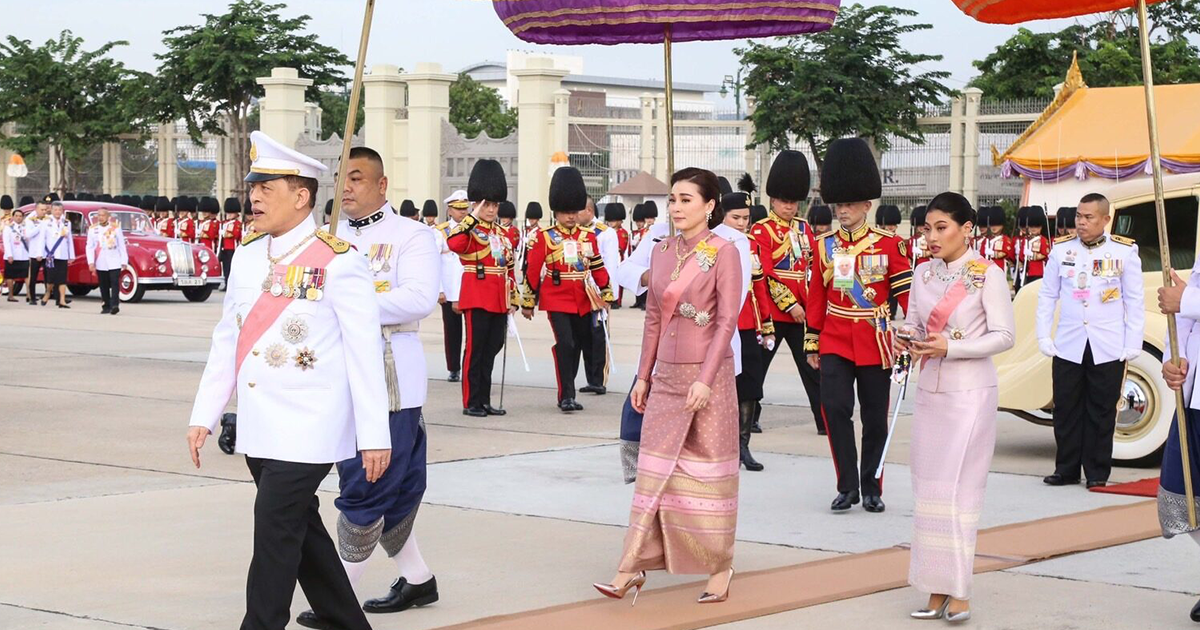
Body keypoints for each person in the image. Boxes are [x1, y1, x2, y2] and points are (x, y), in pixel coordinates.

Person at [187, 130, 390, 630]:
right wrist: (204, 415)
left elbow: (364, 354)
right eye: (253, 186)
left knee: (275, 533)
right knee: (302, 530)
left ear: (302, 196)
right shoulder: (249, 255)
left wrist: (374, 436)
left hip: (311, 425)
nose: (253, 196)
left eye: (267, 187)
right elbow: (227, 339)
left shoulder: (341, 261)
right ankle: (347, 621)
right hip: (261, 423)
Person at [294, 146, 441, 629]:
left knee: (366, 484)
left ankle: (341, 601)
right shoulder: (324, 239)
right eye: (343, 178)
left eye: (358, 178)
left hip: (389, 376)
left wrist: (351, 307)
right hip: (335, 375)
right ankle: (418, 580)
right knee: (391, 492)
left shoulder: (412, 236)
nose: (348, 187)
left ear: (382, 185)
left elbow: (418, 298)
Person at [595, 167, 742, 606]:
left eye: (686, 200)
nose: (676, 208)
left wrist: (705, 379)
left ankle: (720, 566)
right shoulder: (659, 252)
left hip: (707, 379)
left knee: (708, 477)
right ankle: (630, 567)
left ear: (710, 205)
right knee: (653, 473)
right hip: (665, 378)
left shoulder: (724, 252)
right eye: (672, 200)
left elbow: (726, 322)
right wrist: (643, 375)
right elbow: (654, 319)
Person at [898, 192, 1015, 623]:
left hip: (970, 396)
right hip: (931, 391)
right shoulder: (922, 274)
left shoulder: (989, 274)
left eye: (941, 227)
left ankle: (960, 590)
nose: (931, 236)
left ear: (967, 229)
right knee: (929, 491)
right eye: (927, 228)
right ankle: (936, 587)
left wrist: (953, 345)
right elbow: (914, 319)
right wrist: (905, 335)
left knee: (958, 493)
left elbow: (1005, 335)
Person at [805, 137, 913, 513]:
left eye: (850, 204)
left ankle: (872, 485)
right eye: (840, 204)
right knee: (834, 409)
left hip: (875, 338)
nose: (843, 210)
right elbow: (816, 298)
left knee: (874, 418)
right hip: (835, 337)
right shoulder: (824, 246)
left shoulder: (890, 245)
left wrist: (911, 333)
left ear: (867, 205)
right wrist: (812, 341)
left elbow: (906, 297)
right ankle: (846, 485)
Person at [1037, 193, 1144, 488]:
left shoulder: (1123, 252)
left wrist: (1133, 341)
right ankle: (1067, 468)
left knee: (1101, 409)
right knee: (1066, 407)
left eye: (1089, 218)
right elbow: (1047, 296)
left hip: (1107, 342)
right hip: (1069, 342)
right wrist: (1044, 336)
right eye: (1078, 217)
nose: (1081, 223)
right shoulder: (1061, 251)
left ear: (1105, 220)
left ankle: (1097, 472)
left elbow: (1134, 300)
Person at [521, 167, 616, 412]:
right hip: (556, 297)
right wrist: (528, 302)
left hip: (583, 299)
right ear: (556, 212)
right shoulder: (545, 236)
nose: (571, 217)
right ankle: (566, 395)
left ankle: (570, 390)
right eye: (566, 212)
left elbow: (597, 265)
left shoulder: (588, 237)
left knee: (579, 345)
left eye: (574, 212)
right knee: (566, 344)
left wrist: (606, 292)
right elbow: (533, 270)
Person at [749, 151, 824, 437]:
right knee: (758, 366)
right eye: (784, 201)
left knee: (813, 367)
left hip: (803, 310)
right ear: (773, 200)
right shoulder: (762, 230)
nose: (790, 207)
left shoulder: (804, 228)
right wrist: (790, 304)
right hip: (773, 311)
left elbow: (813, 267)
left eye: (794, 202)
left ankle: (823, 419)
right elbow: (765, 274)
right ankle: (751, 416)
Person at [448, 160, 519, 418]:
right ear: (477, 204)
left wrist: (514, 297)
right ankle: (472, 401)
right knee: (475, 351)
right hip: (477, 294)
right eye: (486, 204)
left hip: (498, 297)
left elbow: (509, 267)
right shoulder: (470, 229)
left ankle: (485, 399)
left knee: (492, 348)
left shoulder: (503, 234)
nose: (491, 209)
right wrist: (471, 216)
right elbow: (454, 243)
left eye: (494, 205)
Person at [1155, 249, 1200, 623]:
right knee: (1184, 495)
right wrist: (1176, 355)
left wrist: (1186, 299)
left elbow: (1188, 300)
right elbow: (1185, 317)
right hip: (1196, 393)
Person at [726, 189, 772, 471]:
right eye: (736, 217)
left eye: (746, 217)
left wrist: (766, 324)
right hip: (721, 324)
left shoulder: (753, 244)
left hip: (747, 323)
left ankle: (743, 446)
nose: (742, 223)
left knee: (751, 385)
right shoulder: (712, 242)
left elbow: (759, 286)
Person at [579, 197, 613, 394]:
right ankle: (590, 378)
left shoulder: (605, 233)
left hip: (599, 291)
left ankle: (599, 379)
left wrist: (608, 293)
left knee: (599, 336)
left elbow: (610, 263)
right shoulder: (577, 233)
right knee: (586, 337)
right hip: (583, 290)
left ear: (589, 210)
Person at [435, 191, 469, 382]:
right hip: (448, 288)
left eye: (465, 208)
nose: (462, 213)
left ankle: (468, 367)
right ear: (449, 210)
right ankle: (454, 368)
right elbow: (434, 262)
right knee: (452, 331)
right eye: (458, 209)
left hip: (469, 287)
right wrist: (439, 288)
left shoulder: (473, 229)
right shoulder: (441, 231)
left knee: (472, 333)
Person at [86, 207, 129, 315]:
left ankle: (115, 305)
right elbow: (90, 247)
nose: (100, 217)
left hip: (114, 259)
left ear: (108, 216)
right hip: (101, 260)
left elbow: (121, 245)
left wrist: (124, 260)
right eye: (98, 215)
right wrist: (91, 262)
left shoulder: (115, 228)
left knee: (115, 283)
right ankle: (106, 305)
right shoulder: (93, 229)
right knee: (103, 284)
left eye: (103, 215)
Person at [41, 201, 74, 308]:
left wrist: (71, 255)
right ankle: (47, 293)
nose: (57, 212)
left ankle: (62, 300)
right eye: (55, 210)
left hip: (63, 254)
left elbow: (69, 240)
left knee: (62, 279)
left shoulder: (67, 222)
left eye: (59, 210)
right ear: (51, 210)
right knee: (51, 279)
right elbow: (42, 239)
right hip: (51, 254)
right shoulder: (46, 222)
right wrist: (41, 253)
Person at [1014, 206, 1049, 293]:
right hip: (1028, 272)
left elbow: (1045, 255)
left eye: (1036, 226)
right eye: (1031, 226)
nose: (1033, 229)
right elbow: (1021, 257)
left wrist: (1031, 255)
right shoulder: (1026, 240)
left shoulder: (1043, 240)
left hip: (1039, 272)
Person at [24, 196, 50, 305]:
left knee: (49, 275)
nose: (44, 212)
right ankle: (32, 297)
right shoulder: (30, 219)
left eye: (45, 209)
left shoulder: (49, 218)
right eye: (42, 210)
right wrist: (40, 227)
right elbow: (28, 235)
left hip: (47, 251)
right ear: (36, 209)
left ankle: (49, 295)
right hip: (35, 252)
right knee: (34, 275)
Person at [3, 207, 30, 301]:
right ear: (13, 217)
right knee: (10, 276)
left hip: (24, 255)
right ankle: (10, 295)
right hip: (12, 255)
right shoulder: (8, 228)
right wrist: (9, 255)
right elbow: (6, 242)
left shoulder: (25, 227)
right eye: (17, 216)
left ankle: (29, 294)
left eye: (20, 216)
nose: (18, 218)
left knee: (27, 275)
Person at [974, 206, 1012, 272]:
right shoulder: (986, 240)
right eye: (992, 224)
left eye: (997, 224)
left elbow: (1005, 253)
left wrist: (992, 253)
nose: (994, 227)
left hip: (999, 269)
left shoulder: (1005, 239)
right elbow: (982, 254)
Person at [220, 198, 243, 289]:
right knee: (225, 267)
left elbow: (234, 234)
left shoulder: (237, 224)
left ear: (236, 214)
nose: (228, 215)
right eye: (228, 213)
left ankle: (232, 285)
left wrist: (224, 233)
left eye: (231, 213)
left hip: (232, 248)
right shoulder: (225, 223)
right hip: (224, 247)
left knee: (231, 267)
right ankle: (226, 283)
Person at [909, 205, 931, 269]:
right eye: (919, 225)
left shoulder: (931, 238)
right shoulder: (911, 240)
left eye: (923, 225)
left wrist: (925, 253)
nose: (921, 228)